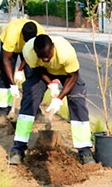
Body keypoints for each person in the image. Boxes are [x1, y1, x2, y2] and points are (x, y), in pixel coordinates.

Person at [8, 33, 94, 165]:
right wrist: (51, 84)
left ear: (53, 47)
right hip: (43, 73)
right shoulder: (29, 52)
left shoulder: (66, 53)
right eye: (42, 57)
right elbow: (38, 71)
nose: (46, 59)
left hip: (67, 74)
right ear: (36, 52)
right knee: (29, 100)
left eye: (48, 55)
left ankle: (85, 151)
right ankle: (18, 148)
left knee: (77, 100)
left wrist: (59, 98)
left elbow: (73, 76)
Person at [0, 18, 44, 116]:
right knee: (5, 76)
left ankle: (33, 108)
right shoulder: (12, 35)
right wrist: (13, 84)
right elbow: (6, 60)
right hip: (11, 48)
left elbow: (30, 55)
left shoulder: (40, 34)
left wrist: (20, 69)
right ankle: (3, 109)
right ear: (22, 36)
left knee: (32, 75)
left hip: (29, 49)